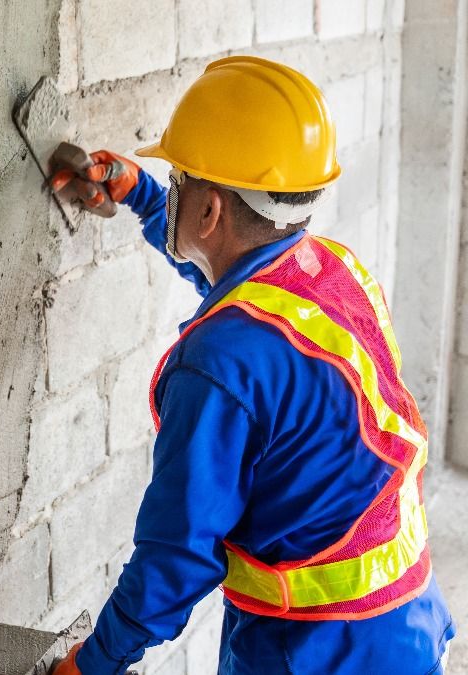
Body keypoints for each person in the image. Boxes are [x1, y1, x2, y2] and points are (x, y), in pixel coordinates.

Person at [49, 56, 456, 675]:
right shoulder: (327, 269)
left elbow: (175, 559)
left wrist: (90, 665)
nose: (175, 187)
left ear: (210, 211)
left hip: (313, 654)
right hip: (404, 627)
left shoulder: (216, 368)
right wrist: (143, 195)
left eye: (179, 179)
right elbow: (228, 275)